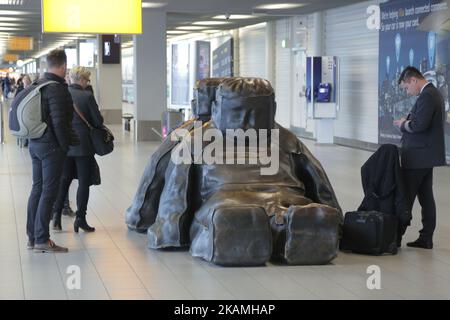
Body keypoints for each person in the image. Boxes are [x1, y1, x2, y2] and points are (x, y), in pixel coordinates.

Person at [27, 49, 78, 253]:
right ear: (64, 66)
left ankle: (32, 237)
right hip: (50, 147)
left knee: (37, 189)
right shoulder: (56, 89)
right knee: (49, 192)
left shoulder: (37, 85)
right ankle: (41, 238)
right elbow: (59, 122)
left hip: (35, 142)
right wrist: (65, 147)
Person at [394, 66, 446, 249]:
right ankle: (426, 237)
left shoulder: (428, 96)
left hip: (418, 156)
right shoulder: (432, 94)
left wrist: (403, 124)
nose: (408, 92)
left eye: (407, 88)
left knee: (406, 197)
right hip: (425, 155)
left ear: (414, 80)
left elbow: (419, 125)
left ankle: (395, 236)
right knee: (425, 197)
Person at [52, 66, 104, 233]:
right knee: (83, 182)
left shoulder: (61, 94)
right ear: (81, 79)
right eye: (87, 80)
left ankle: (56, 217)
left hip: (65, 145)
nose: (87, 83)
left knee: (64, 180)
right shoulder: (86, 96)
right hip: (83, 147)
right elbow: (97, 121)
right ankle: (80, 219)